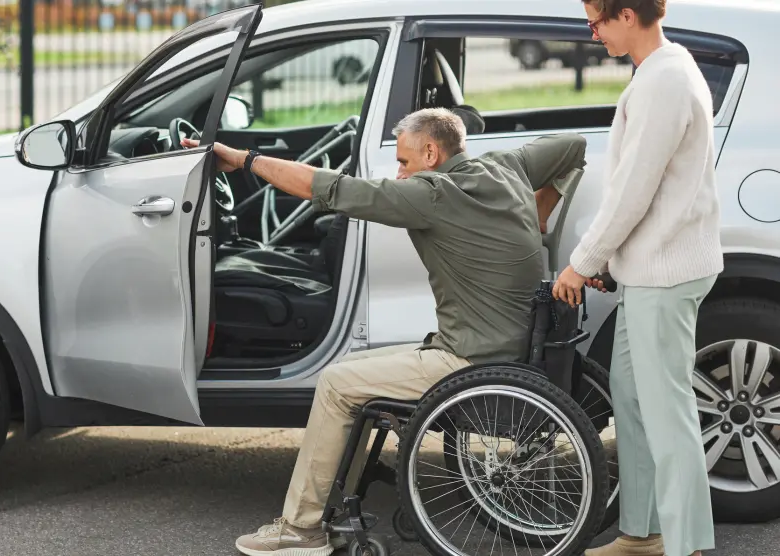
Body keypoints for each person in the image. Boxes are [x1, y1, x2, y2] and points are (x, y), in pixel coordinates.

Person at [185, 107, 587, 556]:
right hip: (512, 345)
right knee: (347, 371)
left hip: (471, 359)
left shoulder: (430, 194)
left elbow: (326, 188)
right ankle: (328, 508)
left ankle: (301, 530)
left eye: (403, 161)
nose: (398, 172)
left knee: (336, 383)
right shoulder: (505, 166)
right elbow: (574, 146)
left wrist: (243, 160)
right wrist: (540, 209)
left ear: (431, 153)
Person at [550, 2, 724, 556]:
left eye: (596, 21)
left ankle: (689, 545)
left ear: (627, 14)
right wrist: (607, 262)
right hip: (650, 269)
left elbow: (633, 191)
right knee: (631, 395)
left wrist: (584, 260)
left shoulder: (664, 81)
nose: (591, 32)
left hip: (665, 273)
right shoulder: (663, 71)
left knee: (666, 411)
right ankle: (642, 534)